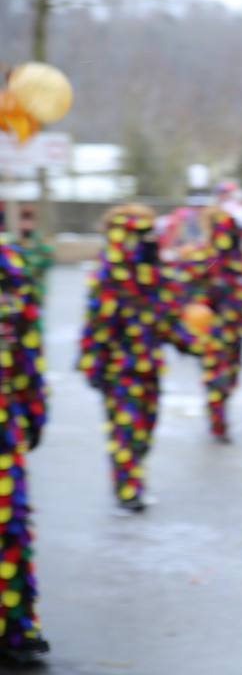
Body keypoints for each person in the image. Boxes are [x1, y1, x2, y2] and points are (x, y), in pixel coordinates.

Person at [79, 206, 201, 510]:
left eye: (150, 234)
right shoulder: (107, 277)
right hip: (118, 371)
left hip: (150, 369)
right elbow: (95, 326)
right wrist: (93, 364)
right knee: (126, 428)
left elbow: (169, 318)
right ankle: (128, 486)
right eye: (140, 235)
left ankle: (131, 475)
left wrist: (193, 345)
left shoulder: (155, 275)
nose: (148, 241)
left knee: (145, 429)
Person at [171, 207, 242, 442]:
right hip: (213, 330)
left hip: (237, 329)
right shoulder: (201, 257)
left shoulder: (238, 259)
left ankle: (220, 409)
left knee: (232, 376)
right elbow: (181, 288)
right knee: (216, 377)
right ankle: (218, 422)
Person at [0, 239, 49, 665]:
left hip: (2, 425)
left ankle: (14, 627)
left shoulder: (10, 268)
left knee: (9, 528)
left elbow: (25, 347)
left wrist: (34, 410)